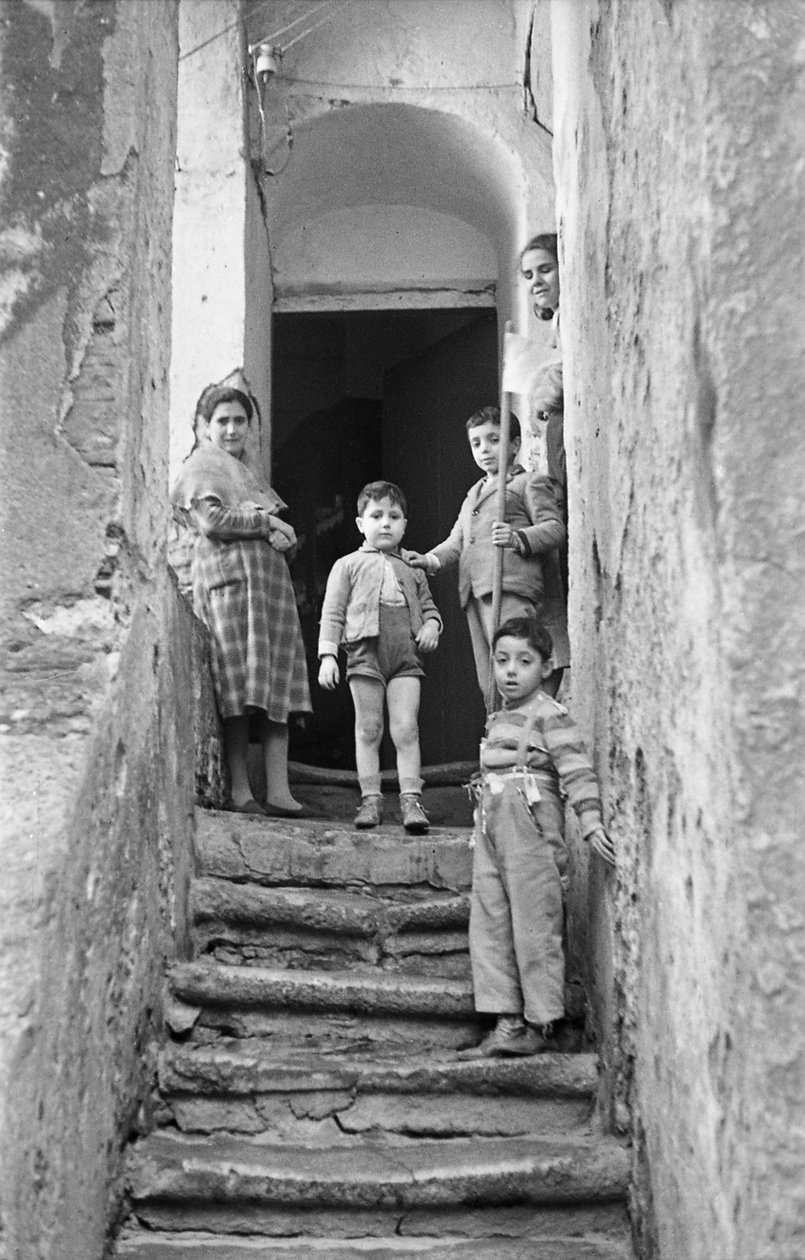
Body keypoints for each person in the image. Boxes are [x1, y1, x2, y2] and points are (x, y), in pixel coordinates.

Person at [458, 617, 615, 1059]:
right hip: (491, 829)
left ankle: (542, 1023)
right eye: (502, 660)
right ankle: (506, 1023)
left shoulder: (551, 715)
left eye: (524, 662)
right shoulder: (497, 719)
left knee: (535, 921)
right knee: (490, 922)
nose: (510, 671)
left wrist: (591, 822)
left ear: (546, 667)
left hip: (530, 830)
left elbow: (577, 771)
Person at [171, 384, 310, 817]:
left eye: (239, 421)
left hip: (267, 588)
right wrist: (267, 523)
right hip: (229, 585)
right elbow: (212, 520)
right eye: (223, 421)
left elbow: (261, 519)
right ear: (205, 426)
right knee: (236, 684)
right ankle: (241, 791)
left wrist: (279, 535)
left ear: (250, 426)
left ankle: (279, 792)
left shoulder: (246, 471)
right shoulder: (201, 466)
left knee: (275, 680)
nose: (231, 429)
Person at [405, 406, 567, 698]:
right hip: (475, 593)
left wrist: (518, 538)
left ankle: (525, 723)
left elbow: (555, 529)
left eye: (494, 440)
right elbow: (457, 542)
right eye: (476, 443)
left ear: (515, 445)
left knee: (515, 667)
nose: (484, 449)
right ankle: (501, 724)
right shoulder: (473, 495)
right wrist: (427, 560)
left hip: (510, 588)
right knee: (489, 680)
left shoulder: (527, 483)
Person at [317, 481, 442, 833]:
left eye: (394, 516)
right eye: (376, 516)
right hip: (365, 655)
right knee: (369, 728)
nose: (385, 523)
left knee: (406, 728)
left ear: (404, 524)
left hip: (405, 657)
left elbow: (430, 608)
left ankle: (411, 801)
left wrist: (432, 626)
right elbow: (333, 613)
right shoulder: (347, 565)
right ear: (361, 524)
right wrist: (328, 656)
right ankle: (371, 799)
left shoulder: (414, 568)